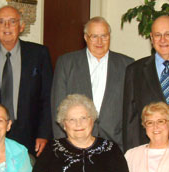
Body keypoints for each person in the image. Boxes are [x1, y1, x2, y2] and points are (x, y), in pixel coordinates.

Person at [0, 5, 53, 156]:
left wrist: (44, 134)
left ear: (22, 26)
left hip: (29, 135)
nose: (7, 26)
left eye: (12, 21)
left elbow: (47, 97)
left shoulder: (39, 54)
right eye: (1, 22)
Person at [51, 16, 134, 150]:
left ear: (110, 36)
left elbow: (132, 111)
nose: (99, 41)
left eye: (104, 36)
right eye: (94, 36)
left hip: (116, 144)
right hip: (76, 142)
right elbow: (57, 107)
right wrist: (62, 145)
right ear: (85, 37)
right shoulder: (66, 63)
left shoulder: (127, 64)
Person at [33, 94, 129, 172]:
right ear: (64, 124)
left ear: (92, 120)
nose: (78, 124)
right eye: (72, 120)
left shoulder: (111, 149)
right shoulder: (51, 150)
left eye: (83, 118)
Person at [123, 15, 169, 152]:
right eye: (158, 35)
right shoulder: (134, 71)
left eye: (168, 34)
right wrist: (133, 156)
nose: (163, 39)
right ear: (151, 38)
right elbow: (130, 121)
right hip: (149, 152)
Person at [125, 102, 169, 172]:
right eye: (150, 122)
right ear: (145, 126)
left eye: (160, 121)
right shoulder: (131, 155)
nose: (155, 126)